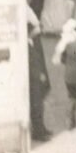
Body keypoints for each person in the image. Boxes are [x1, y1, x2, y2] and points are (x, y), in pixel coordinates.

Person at [27, 13, 52, 141]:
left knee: (39, 106)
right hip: (34, 82)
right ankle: (39, 132)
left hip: (36, 81)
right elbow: (31, 65)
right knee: (36, 107)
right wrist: (40, 75)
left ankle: (41, 129)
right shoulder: (27, 46)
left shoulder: (30, 43)